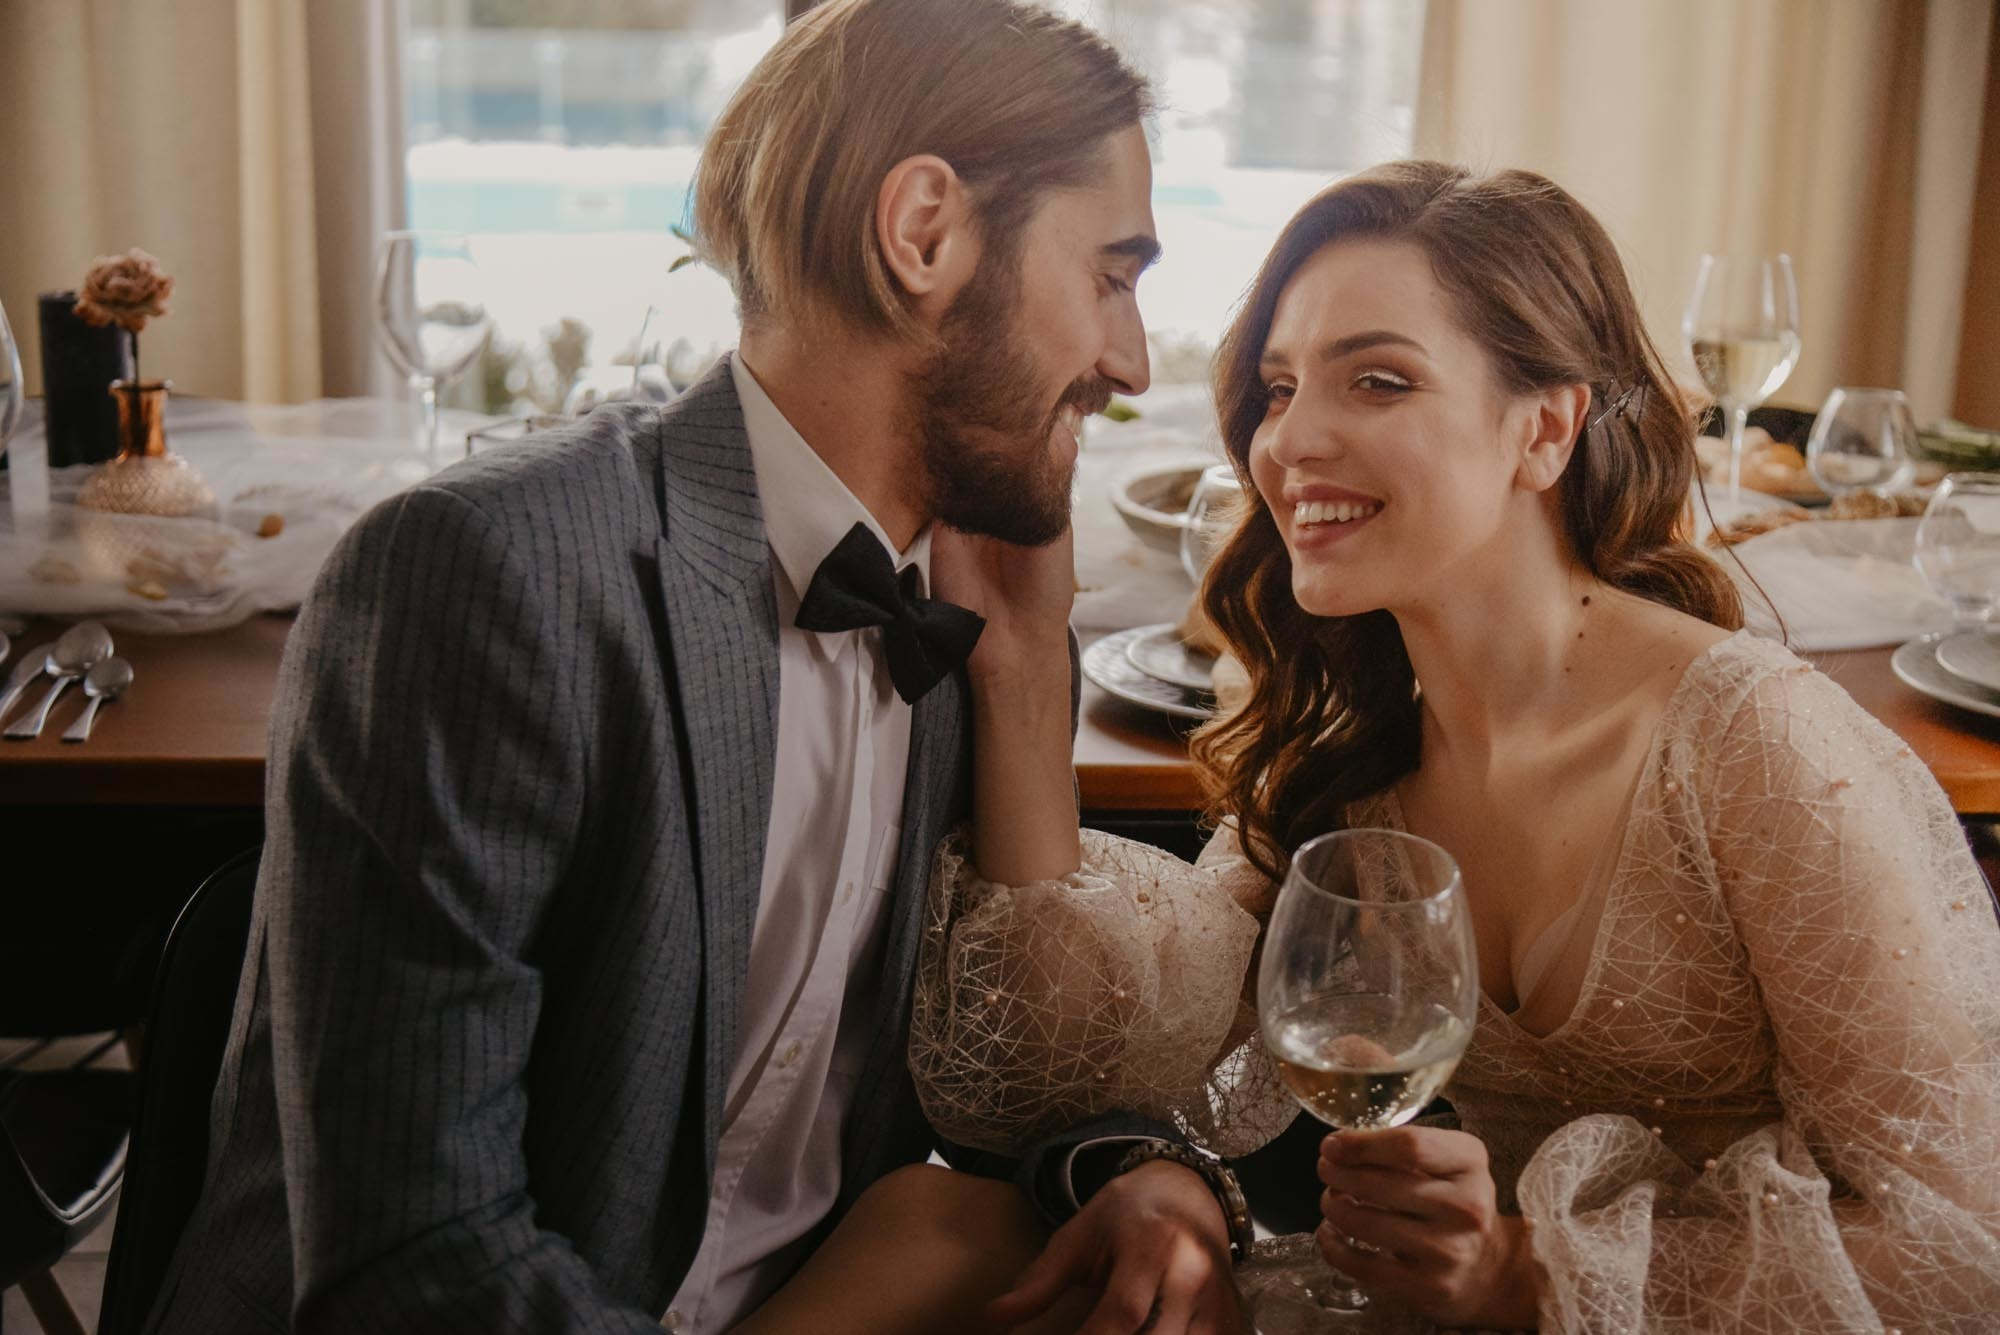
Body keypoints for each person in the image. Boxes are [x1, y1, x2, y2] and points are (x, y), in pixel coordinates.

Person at [143, 3, 1250, 1332]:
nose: (1127, 362)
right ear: (926, 234)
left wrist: (1138, 1173)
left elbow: (1026, 1060)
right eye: (1112, 277)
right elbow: (414, 1273)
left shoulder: (972, 608)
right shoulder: (491, 579)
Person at [910, 161, 2000, 1332]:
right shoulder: (1346, 751)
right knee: (933, 1243)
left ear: (1543, 428)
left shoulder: (1752, 749)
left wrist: (1523, 1273)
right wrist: (1021, 671)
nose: (1289, 442)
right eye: (1278, 389)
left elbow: (1964, 1249)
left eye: (1378, 381)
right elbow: (1074, 1072)